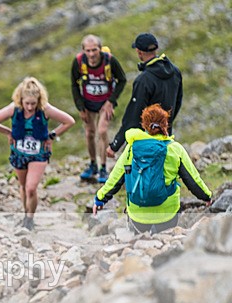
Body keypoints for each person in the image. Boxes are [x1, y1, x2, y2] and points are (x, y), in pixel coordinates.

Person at [94, 104, 211, 234]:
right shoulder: (175, 149)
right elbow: (192, 180)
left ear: (144, 125)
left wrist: (100, 199)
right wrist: (207, 197)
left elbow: (115, 179)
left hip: (138, 217)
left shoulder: (131, 148)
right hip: (167, 214)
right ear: (165, 124)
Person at [0, 77, 75, 230]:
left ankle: (30, 218)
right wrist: (8, 132)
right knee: (23, 186)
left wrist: (52, 136)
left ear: (39, 100)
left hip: (39, 154)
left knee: (31, 188)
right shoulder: (14, 108)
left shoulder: (45, 109)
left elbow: (69, 121)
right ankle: (26, 214)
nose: (30, 107)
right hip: (19, 153)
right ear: (21, 99)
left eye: (33, 103)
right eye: (27, 103)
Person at [107, 33, 182, 158]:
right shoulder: (175, 72)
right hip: (166, 137)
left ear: (139, 52)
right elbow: (177, 102)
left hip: (145, 141)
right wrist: (164, 124)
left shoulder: (144, 80)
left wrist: (115, 144)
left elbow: (133, 116)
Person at [71, 35, 127, 183]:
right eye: (88, 51)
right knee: (89, 133)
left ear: (100, 49)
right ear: (83, 50)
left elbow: (122, 80)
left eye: (94, 50)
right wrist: (80, 107)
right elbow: (74, 84)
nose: (91, 54)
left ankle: (103, 167)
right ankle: (93, 164)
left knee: (102, 131)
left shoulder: (110, 61)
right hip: (88, 102)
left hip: (105, 103)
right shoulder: (79, 62)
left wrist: (111, 102)